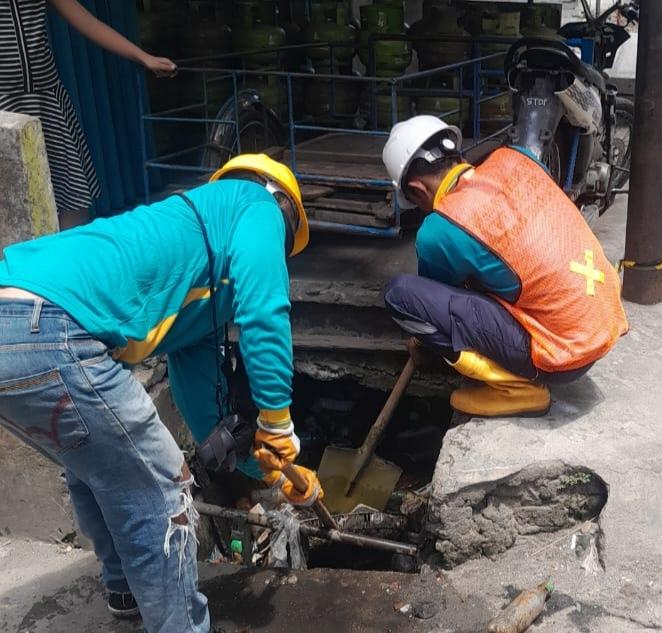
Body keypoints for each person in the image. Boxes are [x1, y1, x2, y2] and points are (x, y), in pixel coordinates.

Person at [0, 154, 321, 633]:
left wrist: (268, 470)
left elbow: (200, 405)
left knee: (97, 467)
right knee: (162, 491)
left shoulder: (194, 263)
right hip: (51, 327)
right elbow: (265, 312)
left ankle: (124, 591)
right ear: (286, 209)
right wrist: (277, 423)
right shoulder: (257, 205)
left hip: (16, 317)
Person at [381, 116, 629, 418]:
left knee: (400, 295)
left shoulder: (438, 229)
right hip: (601, 324)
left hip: (562, 357)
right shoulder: (516, 158)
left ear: (418, 188)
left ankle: (517, 389)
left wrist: (422, 341)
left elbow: (433, 299)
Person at [0, 0, 176, 228]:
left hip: (46, 101)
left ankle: (71, 250)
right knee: (10, 203)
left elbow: (86, 21)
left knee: (73, 198)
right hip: (4, 106)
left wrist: (142, 56)